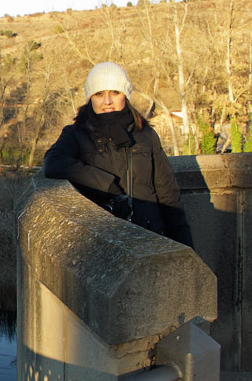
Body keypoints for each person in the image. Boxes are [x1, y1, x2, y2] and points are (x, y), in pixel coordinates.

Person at [42, 62, 194, 248]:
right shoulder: (77, 134)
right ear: (90, 98)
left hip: (150, 238)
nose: (107, 101)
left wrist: (185, 248)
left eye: (114, 92)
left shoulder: (145, 135)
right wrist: (105, 184)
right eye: (99, 94)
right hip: (106, 242)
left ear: (126, 95)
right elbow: (53, 163)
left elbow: (168, 195)